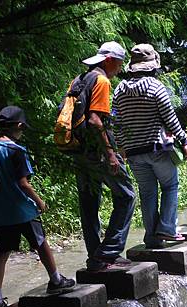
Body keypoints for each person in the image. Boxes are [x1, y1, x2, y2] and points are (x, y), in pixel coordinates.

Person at [0, 106, 75, 307]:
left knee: (1, 253)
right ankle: (56, 280)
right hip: (22, 210)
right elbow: (23, 183)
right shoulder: (17, 150)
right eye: (23, 129)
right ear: (19, 126)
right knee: (40, 243)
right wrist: (39, 202)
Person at [113, 44, 187, 249]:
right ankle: (167, 228)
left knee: (147, 193)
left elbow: (116, 122)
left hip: (134, 153)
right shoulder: (155, 86)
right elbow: (169, 117)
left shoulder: (119, 89)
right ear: (152, 66)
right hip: (157, 149)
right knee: (170, 185)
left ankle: (151, 237)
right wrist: (184, 140)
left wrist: (122, 148)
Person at [73, 41, 136, 270]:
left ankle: (95, 256)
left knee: (89, 203)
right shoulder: (101, 80)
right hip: (98, 152)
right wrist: (110, 154)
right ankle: (108, 251)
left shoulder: (80, 79)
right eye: (119, 64)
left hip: (79, 152)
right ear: (109, 60)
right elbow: (94, 120)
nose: (120, 69)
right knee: (127, 195)